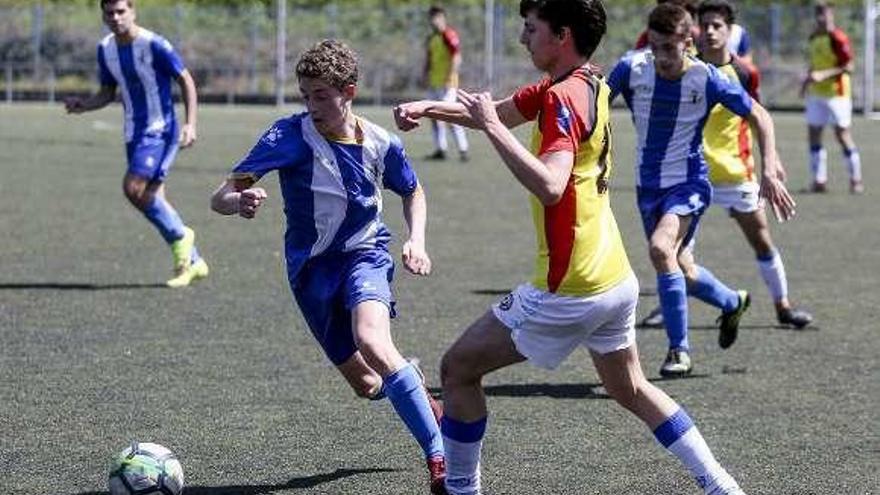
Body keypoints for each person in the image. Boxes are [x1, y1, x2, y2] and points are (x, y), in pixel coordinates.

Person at [395, 1, 745, 493]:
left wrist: (494, 131)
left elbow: (551, 185)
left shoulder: (562, 98)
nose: (522, 38)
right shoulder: (588, 81)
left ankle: (460, 488)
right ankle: (721, 485)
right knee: (633, 389)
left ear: (561, 35)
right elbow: (496, 113)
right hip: (614, 276)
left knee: (457, 370)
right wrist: (430, 107)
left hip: (570, 283)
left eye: (531, 29)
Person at [210, 40, 447, 494]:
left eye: (322, 95)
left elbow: (412, 191)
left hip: (365, 254)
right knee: (365, 383)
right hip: (310, 273)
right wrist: (237, 201)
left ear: (348, 92)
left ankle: (441, 458)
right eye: (306, 94)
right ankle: (415, 387)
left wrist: (416, 239)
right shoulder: (287, 136)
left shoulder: (381, 143)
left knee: (372, 339)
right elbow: (218, 197)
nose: (312, 105)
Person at [607, 3, 796, 377]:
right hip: (648, 187)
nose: (661, 57)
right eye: (655, 47)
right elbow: (593, 105)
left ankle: (679, 351)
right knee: (681, 268)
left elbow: (759, 115)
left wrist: (770, 165)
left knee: (661, 250)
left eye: (670, 48)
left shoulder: (706, 78)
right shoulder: (633, 67)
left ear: (687, 42)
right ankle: (731, 301)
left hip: (689, 184)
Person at [638, 0, 813, 331]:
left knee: (761, 239)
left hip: (736, 172)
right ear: (694, 32)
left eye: (717, 25)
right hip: (691, 177)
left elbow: (758, 115)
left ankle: (783, 306)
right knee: (672, 250)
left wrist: (771, 164)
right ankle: (669, 309)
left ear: (730, 31)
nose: (710, 32)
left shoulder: (745, 73)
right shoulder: (684, 69)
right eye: (704, 25)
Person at [63, 0, 207, 288]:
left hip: (161, 130)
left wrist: (190, 123)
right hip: (133, 133)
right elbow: (107, 92)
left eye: (121, 11)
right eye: (109, 13)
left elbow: (186, 80)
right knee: (154, 198)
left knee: (133, 188)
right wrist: (84, 105)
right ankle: (192, 262)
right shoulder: (105, 49)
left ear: (133, 12)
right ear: (103, 15)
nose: (115, 17)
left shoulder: (155, 45)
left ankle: (180, 236)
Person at [801, 1, 863, 194]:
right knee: (814, 134)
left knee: (842, 135)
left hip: (837, 94)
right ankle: (819, 180)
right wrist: (806, 83)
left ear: (831, 15)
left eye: (825, 13)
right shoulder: (813, 37)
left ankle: (856, 179)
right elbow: (814, 65)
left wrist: (823, 75)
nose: (822, 17)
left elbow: (849, 67)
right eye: (818, 13)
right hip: (816, 94)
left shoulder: (838, 38)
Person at [423, 5, 470, 162]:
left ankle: (463, 149)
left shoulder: (448, 35)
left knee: (449, 115)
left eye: (435, 17)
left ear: (442, 18)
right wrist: (425, 75)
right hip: (434, 82)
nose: (433, 20)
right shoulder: (431, 38)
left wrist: (451, 75)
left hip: (447, 83)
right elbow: (429, 60)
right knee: (433, 116)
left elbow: (456, 57)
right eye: (431, 17)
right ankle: (440, 148)